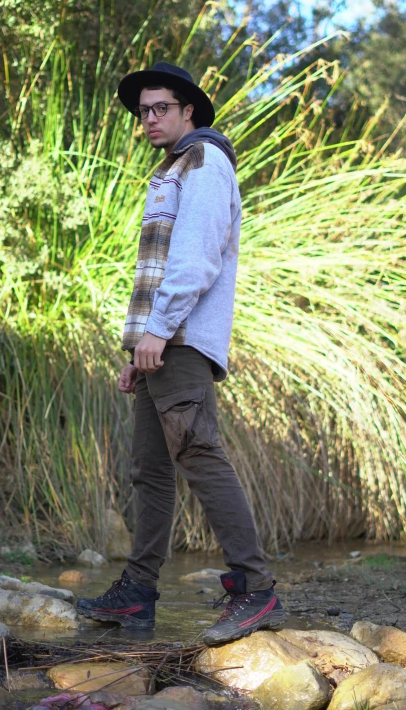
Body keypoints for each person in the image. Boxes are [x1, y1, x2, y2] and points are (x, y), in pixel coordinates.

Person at [76, 62, 285, 645]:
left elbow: (196, 261)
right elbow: (161, 267)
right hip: (161, 344)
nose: (148, 119)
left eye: (160, 108)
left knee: (199, 453)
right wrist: (140, 345)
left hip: (183, 342)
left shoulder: (204, 162)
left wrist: (160, 331)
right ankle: (137, 593)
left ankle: (255, 586)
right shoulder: (172, 168)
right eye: (143, 111)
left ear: (188, 109)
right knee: (150, 471)